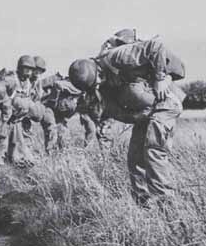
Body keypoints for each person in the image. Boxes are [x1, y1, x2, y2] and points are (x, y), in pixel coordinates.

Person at [69, 34, 185, 206]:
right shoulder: (101, 89)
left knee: (153, 151)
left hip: (165, 104)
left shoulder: (116, 57)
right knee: (135, 158)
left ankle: (166, 206)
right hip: (146, 113)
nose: (99, 84)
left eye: (97, 81)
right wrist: (136, 117)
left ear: (97, 70)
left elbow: (155, 46)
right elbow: (117, 112)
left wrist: (161, 78)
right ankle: (144, 205)